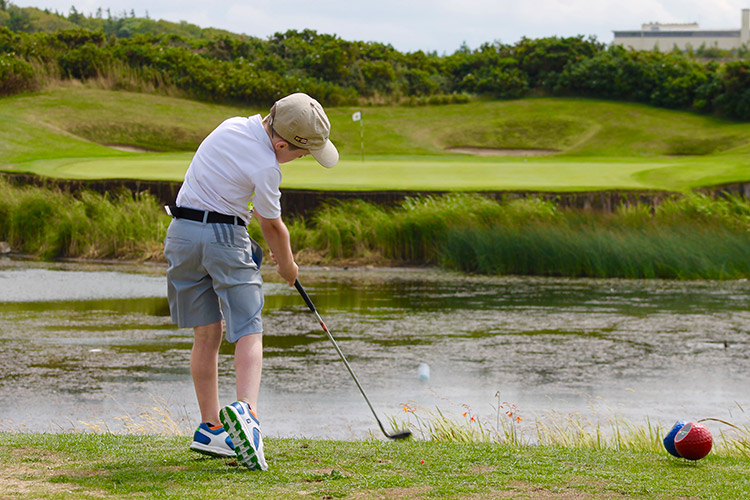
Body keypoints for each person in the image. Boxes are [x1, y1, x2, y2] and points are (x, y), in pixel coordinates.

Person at [163, 93, 338, 471]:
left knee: (206, 335)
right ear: (280, 144)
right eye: (301, 153)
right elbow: (273, 226)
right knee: (248, 329)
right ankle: (248, 415)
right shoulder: (267, 165)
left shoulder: (230, 125)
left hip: (180, 234)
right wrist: (288, 267)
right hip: (224, 237)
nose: (300, 159)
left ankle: (210, 429)